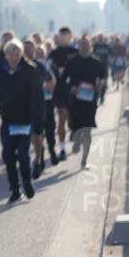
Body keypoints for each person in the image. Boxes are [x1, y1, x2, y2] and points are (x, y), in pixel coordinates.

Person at [0, 40, 44, 203]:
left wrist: (37, 122)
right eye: (10, 54)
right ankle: (14, 189)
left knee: (23, 154)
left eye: (16, 54)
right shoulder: (0, 70)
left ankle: (26, 181)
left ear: (21, 54)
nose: (13, 58)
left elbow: (37, 97)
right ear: (5, 55)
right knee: (8, 155)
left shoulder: (30, 70)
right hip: (7, 120)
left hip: (25, 120)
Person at [61, 36, 107, 170]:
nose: (85, 47)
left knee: (87, 130)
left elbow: (103, 77)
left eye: (87, 44)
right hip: (75, 101)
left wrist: (101, 84)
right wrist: (71, 88)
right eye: (82, 44)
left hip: (90, 102)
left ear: (91, 46)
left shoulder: (96, 62)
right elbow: (63, 80)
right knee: (75, 127)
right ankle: (76, 138)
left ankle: (84, 161)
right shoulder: (72, 62)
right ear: (78, 46)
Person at [24, 38, 57, 179]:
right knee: (31, 137)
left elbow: (51, 81)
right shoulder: (16, 66)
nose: (27, 51)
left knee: (38, 135)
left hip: (39, 106)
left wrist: (44, 88)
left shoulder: (40, 66)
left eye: (30, 48)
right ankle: (37, 157)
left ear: (34, 50)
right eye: (25, 48)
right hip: (23, 107)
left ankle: (37, 160)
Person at [48, 26, 78, 161]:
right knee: (62, 117)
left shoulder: (75, 52)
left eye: (66, 35)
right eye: (61, 35)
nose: (63, 38)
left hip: (75, 91)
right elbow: (46, 70)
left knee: (75, 119)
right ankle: (62, 149)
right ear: (59, 37)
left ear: (70, 37)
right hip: (60, 91)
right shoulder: (54, 53)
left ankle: (73, 129)